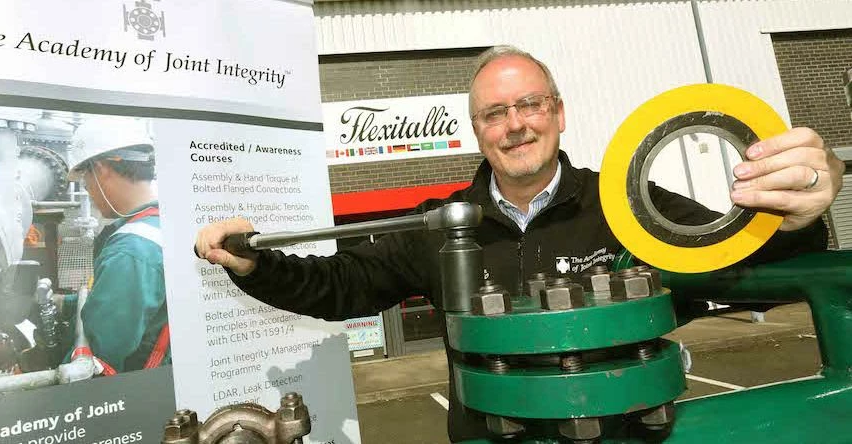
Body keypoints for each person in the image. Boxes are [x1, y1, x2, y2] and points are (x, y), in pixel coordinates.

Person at [195, 46, 844, 441]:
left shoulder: (627, 206)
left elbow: (747, 259)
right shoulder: (442, 226)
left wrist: (798, 214)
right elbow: (339, 287)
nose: (515, 125)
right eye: (495, 113)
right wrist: (255, 264)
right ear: (477, 130)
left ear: (558, 112)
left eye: (529, 104)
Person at [65, 117, 169, 375]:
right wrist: (65, 303)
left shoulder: (131, 250)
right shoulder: (164, 222)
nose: (87, 190)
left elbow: (102, 350)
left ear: (101, 169)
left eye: (84, 180)